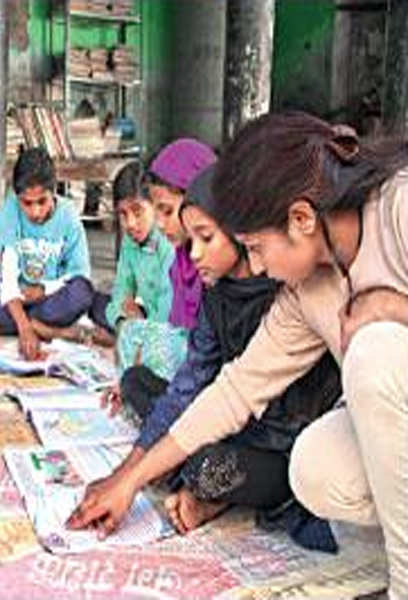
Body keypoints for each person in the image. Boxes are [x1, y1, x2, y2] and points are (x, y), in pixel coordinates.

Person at [66, 111, 408, 599]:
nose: (260, 265)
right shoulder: (305, 289)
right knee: (316, 468)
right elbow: (235, 389)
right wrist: (131, 480)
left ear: (301, 219)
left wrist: (393, 306)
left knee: (373, 354)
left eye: (257, 247)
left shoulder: (398, 206)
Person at [104, 165, 341, 549]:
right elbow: (191, 383)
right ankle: (189, 474)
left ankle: (214, 496)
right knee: (138, 384)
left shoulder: (288, 288)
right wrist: (127, 472)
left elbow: (257, 397)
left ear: (239, 232)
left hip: (282, 442)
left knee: (205, 469)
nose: (194, 254)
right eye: (191, 241)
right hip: (225, 417)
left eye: (206, 238)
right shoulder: (216, 295)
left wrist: (136, 473)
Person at [0, 147, 94, 360]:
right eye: (27, 203)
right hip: (15, 300)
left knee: (83, 293)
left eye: (42, 201)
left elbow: (79, 274)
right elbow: (7, 276)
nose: (35, 212)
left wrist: (44, 289)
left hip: (49, 301)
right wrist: (25, 328)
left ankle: (6, 326)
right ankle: (36, 327)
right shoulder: (10, 211)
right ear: (17, 196)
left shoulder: (68, 216)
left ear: (54, 191)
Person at [110, 140, 216, 404]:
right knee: (133, 356)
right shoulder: (181, 262)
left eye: (167, 211)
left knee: (156, 345)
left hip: (216, 387)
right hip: (186, 372)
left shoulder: (219, 259)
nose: (159, 223)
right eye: (157, 211)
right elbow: (172, 327)